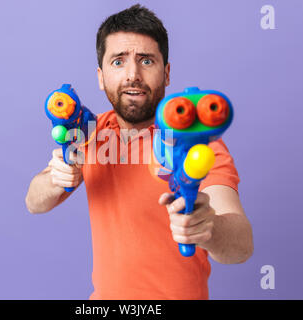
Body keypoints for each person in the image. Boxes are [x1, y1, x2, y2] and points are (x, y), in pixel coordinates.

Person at [25, 4, 253, 300]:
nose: (133, 74)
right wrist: (58, 177)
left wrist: (209, 226)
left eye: (146, 61)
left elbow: (241, 246)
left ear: (166, 73)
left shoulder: (197, 144)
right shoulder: (90, 133)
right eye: (118, 62)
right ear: (100, 76)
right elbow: (34, 202)